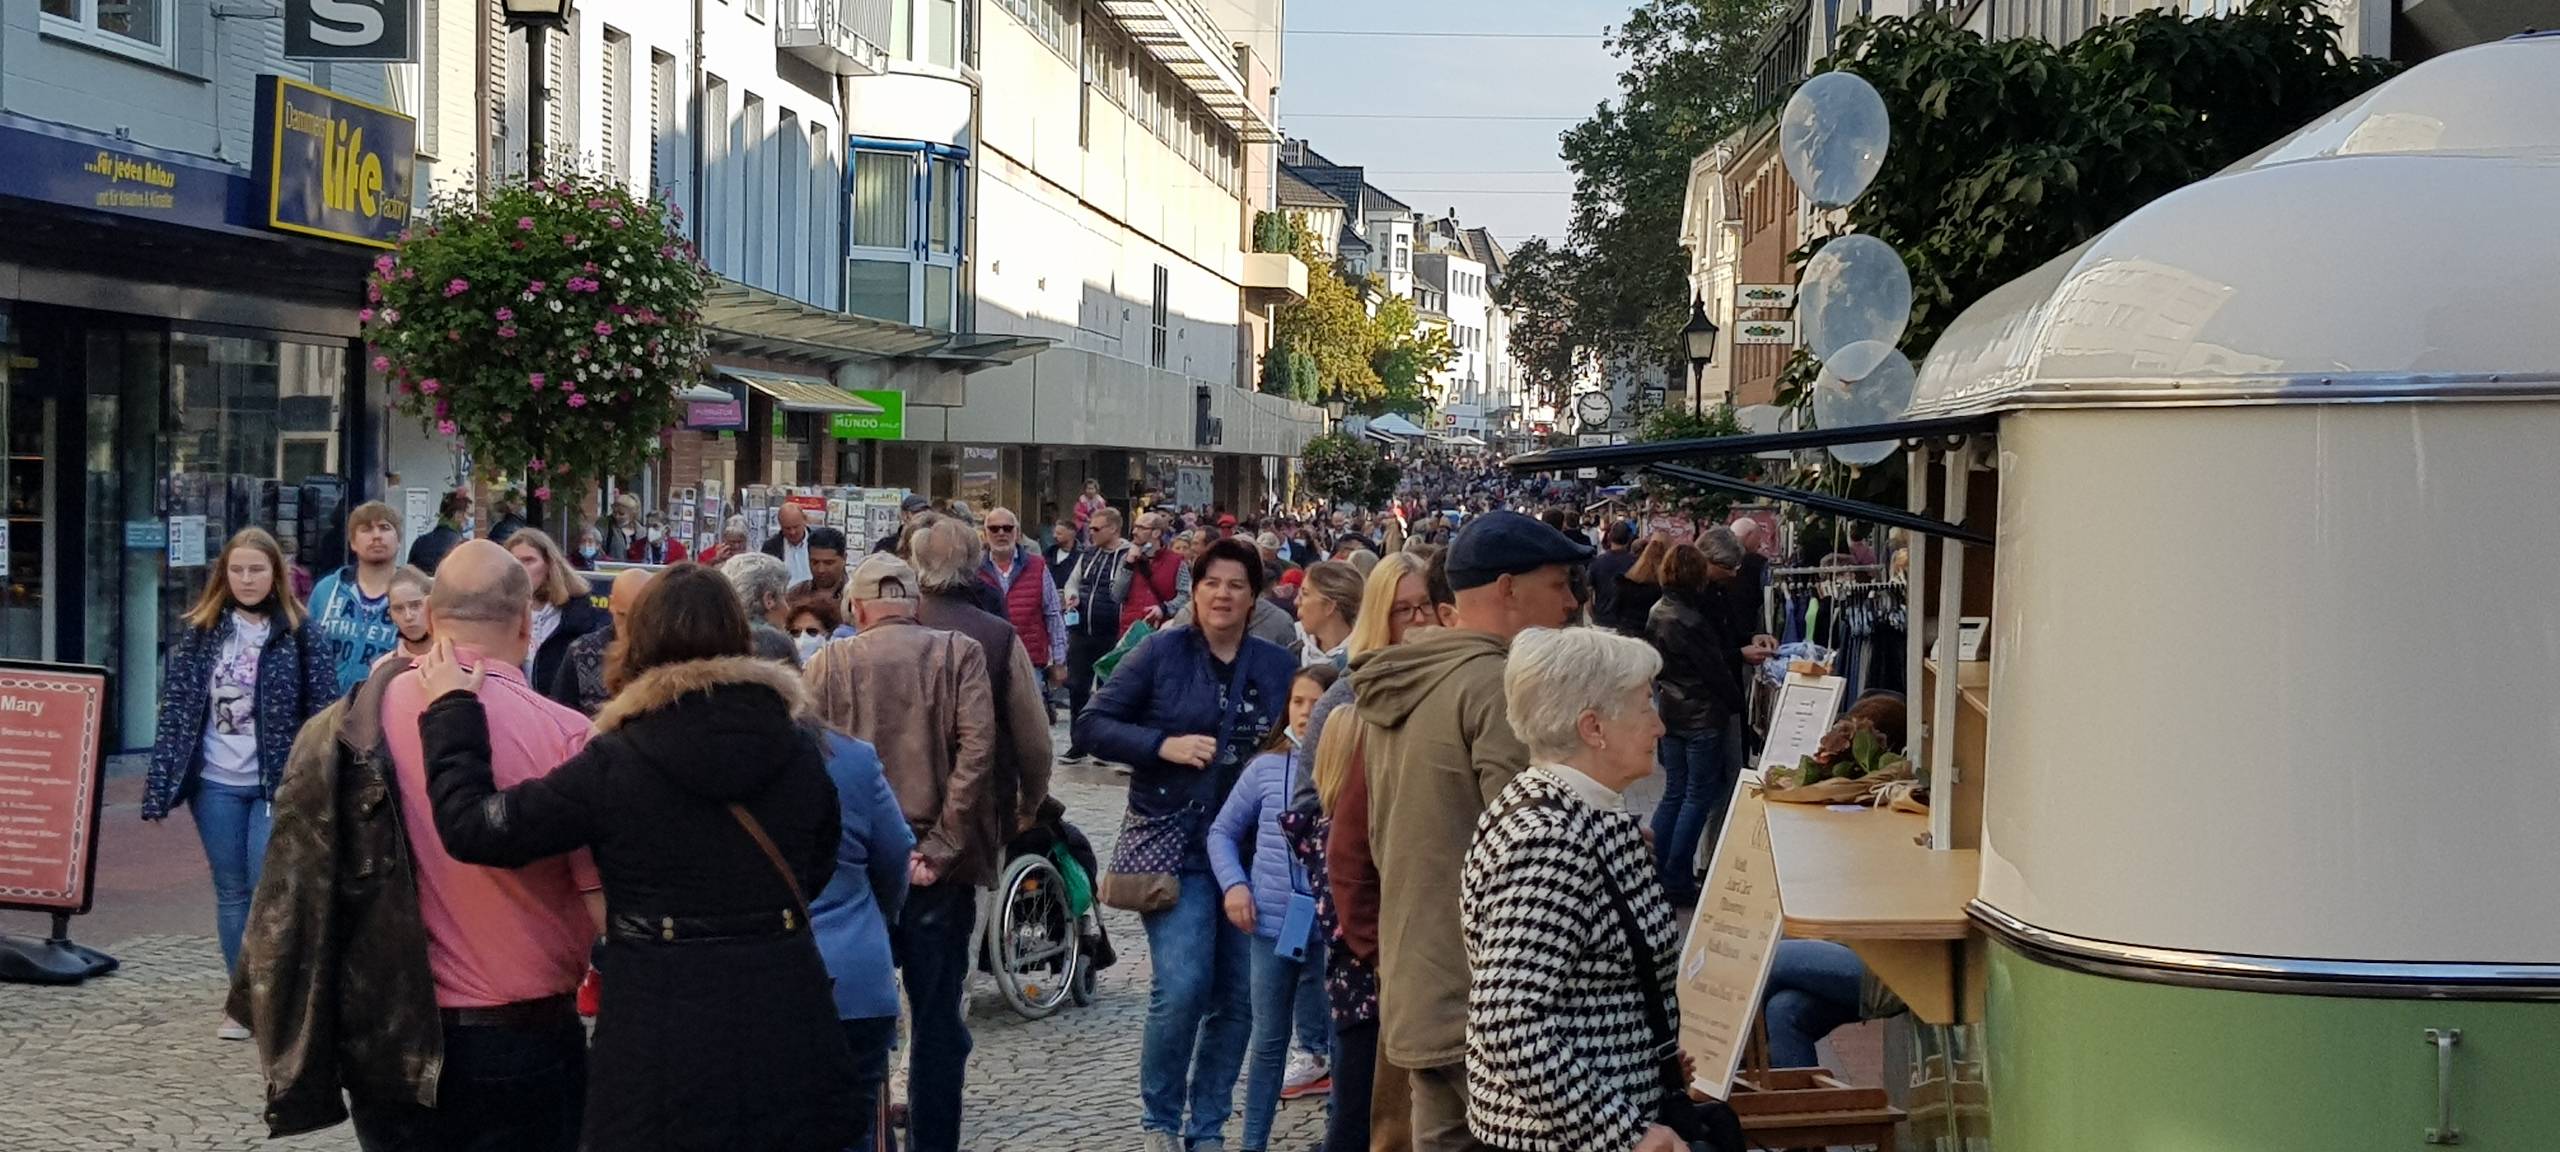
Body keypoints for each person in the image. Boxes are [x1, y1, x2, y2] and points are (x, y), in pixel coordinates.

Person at [410, 562, 858, 1152]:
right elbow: (817, 861)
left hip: (658, 1021)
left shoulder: (617, 760)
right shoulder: (800, 748)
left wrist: (452, 715)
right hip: (786, 1012)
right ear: (739, 635)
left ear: (638, 640)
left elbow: (478, 830)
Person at [1354, 511, 1587, 1152]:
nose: (1570, 603)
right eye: (1560, 583)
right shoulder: (1493, 685)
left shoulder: (1412, 675)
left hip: (1422, 980)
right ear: (1509, 589)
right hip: (1488, 995)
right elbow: (1531, 858)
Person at [1076, 538, 1298, 1152]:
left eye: (1236, 585)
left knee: (1238, 1000)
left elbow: (1307, 739)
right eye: (1211, 583)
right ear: (1194, 591)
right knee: (1181, 988)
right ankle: (1159, 1122)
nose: (1222, 594)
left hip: (1256, 855)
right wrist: (1161, 746)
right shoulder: (1159, 653)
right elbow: (1091, 724)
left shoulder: (1277, 665)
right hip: (1177, 846)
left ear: (1255, 597)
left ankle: (1207, 1127)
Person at [1464, 627, 1690, 1152]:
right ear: (1594, 728)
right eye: (1643, 708)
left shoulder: (1573, 812)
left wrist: (1648, 1052)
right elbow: (1509, 1021)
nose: (1658, 725)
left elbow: (1591, 980)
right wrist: (1622, 1133)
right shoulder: (1549, 838)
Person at [801, 554, 998, 1152]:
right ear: (914, 604)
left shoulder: (829, 661)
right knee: (939, 1024)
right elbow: (979, 752)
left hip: (852, 871)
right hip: (939, 868)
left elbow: (811, 762)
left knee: (855, 1018)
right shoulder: (957, 652)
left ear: (857, 609)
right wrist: (940, 846)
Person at [143, 527, 337, 1037]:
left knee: (266, 890)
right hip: (216, 783)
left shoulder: (300, 632)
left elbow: (324, 711)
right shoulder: (202, 631)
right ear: (223, 575)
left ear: (275, 574)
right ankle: (243, 1001)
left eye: (257, 569)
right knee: (231, 892)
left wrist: (322, 778)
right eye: (238, 570)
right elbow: (178, 712)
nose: (247, 579)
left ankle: (277, 997)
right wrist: (160, 789)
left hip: (276, 783)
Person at [1210, 664, 1343, 1151]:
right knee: (1267, 1042)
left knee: (1340, 1040)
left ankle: (1338, 1137)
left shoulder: (1350, 767)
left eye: (1317, 702)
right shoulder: (1265, 768)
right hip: (1271, 925)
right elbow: (1222, 833)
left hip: (1334, 930)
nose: (1307, 713)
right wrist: (1234, 886)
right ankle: (1253, 1143)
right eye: (1298, 702)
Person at [802, 694, 915, 1152]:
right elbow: (893, 859)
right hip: (851, 970)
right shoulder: (849, 756)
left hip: (750, 982)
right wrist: (878, 921)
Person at [911, 515, 1055, 841]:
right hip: (979, 803)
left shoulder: (889, 628)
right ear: (974, 562)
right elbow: (1033, 735)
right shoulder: (998, 636)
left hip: (898, 800)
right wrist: (1033, 798)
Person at [1061, 507, 1142, 761]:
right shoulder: (1088, 554)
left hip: (1113, 631)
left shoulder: (1129, 556)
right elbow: (1073, 582)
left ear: (1113, 529)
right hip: (1082, 629)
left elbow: (1124, 590)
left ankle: (1105, 743)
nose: (1091, 533)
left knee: (1108, 690)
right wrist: (1071, 597)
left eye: (1096, 529)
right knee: (1077, 688)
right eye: (1090, 528)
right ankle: (1079, 742)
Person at [309, 500, 407, 694]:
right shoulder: (326, 590)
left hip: (388, 708)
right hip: (328, 710)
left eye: (384, 528)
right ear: (353, 542)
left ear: (399, 540)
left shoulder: (414, 596)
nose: (376, 536)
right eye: (366, 529)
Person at [507, 529, 609, 701]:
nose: (521, 569)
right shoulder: (501, 612)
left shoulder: (578, 612)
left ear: (549, 564)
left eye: (529, 561)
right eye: (515, 562)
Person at [980, 505, 1067, 700]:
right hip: (986, 662)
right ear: (985, 535)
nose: (1001, 533)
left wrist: (1059, 661)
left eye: (1007, 528)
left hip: (1029, 661)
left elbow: (1052, 613)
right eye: (994, 529)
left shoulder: (1037, 566)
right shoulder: (974, 571)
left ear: (1017, 533)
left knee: (1029, 725)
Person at [552, 566, 654, 715]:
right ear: (611, 604)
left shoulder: (666, 652)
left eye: (640, 617)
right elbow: (560, 716)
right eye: (623, 615)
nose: (630, 627)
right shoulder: (581, 651)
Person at [1295, 560, 1364, 670]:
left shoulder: (1363, 662)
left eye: (1305, 594)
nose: (1296, 602)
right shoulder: (1292, 650)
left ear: (1328, 606)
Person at [723, 550, 796, 643]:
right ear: (769, 600)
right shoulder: (777, 645)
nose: (788, 609)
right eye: (785, 597)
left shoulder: (711, 640)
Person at [1587, 523, 1643, 635]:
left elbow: (1588, 595)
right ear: (1629, 539)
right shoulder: (1637, 563)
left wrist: (1594, 615)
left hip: (1601, 621)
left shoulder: (1597, 562)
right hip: (1627, 624)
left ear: (1609, 537)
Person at [407, 488, 473, 574]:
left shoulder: (420, 542)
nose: (469, 519)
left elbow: (408, 574)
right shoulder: (461, 546)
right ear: (457, 515)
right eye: (468, 514)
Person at [381, 564, 435, 664]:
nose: (408, 616)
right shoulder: (382, 669)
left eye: (416, 606)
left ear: (432, 605)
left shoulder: (458, 663)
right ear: (390, 614)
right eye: (398, 609)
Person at [791, 526, 850, 601]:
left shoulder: (858, 596)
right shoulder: (795, 595)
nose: (820, 570)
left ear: (844, 559)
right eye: (814, 562)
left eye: (828, 563)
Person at [763, 502, 814, 583]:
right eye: (787, 528)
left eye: (796, 527)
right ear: (780, 525)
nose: (792, 532)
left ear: (804, 520)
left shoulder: (818, 543)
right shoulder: (771, 547)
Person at [600, 493, 642, 561]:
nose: (617, 516)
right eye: (614, 512)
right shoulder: (604, 525)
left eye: (621, 514)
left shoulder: (641, 531)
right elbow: (596, 546)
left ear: (632, 514)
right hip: (609, 569)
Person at [1047, 520, 1082, 590]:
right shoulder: (1049, 552)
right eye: (1054, 533)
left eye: (1059, 534)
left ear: (1071, 534)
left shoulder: (1081, 555)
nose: (1054, 536)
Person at [1074, 478, 1107, 543]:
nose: (1090, 491)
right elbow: (1076, 512)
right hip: (1083, 524)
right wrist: (1086, 518)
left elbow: (1104, 512)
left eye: (1092, 489)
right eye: (1088, 489)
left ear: (1096, 490)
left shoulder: (1100, 501)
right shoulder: (1081, 500)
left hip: (1096, 522)